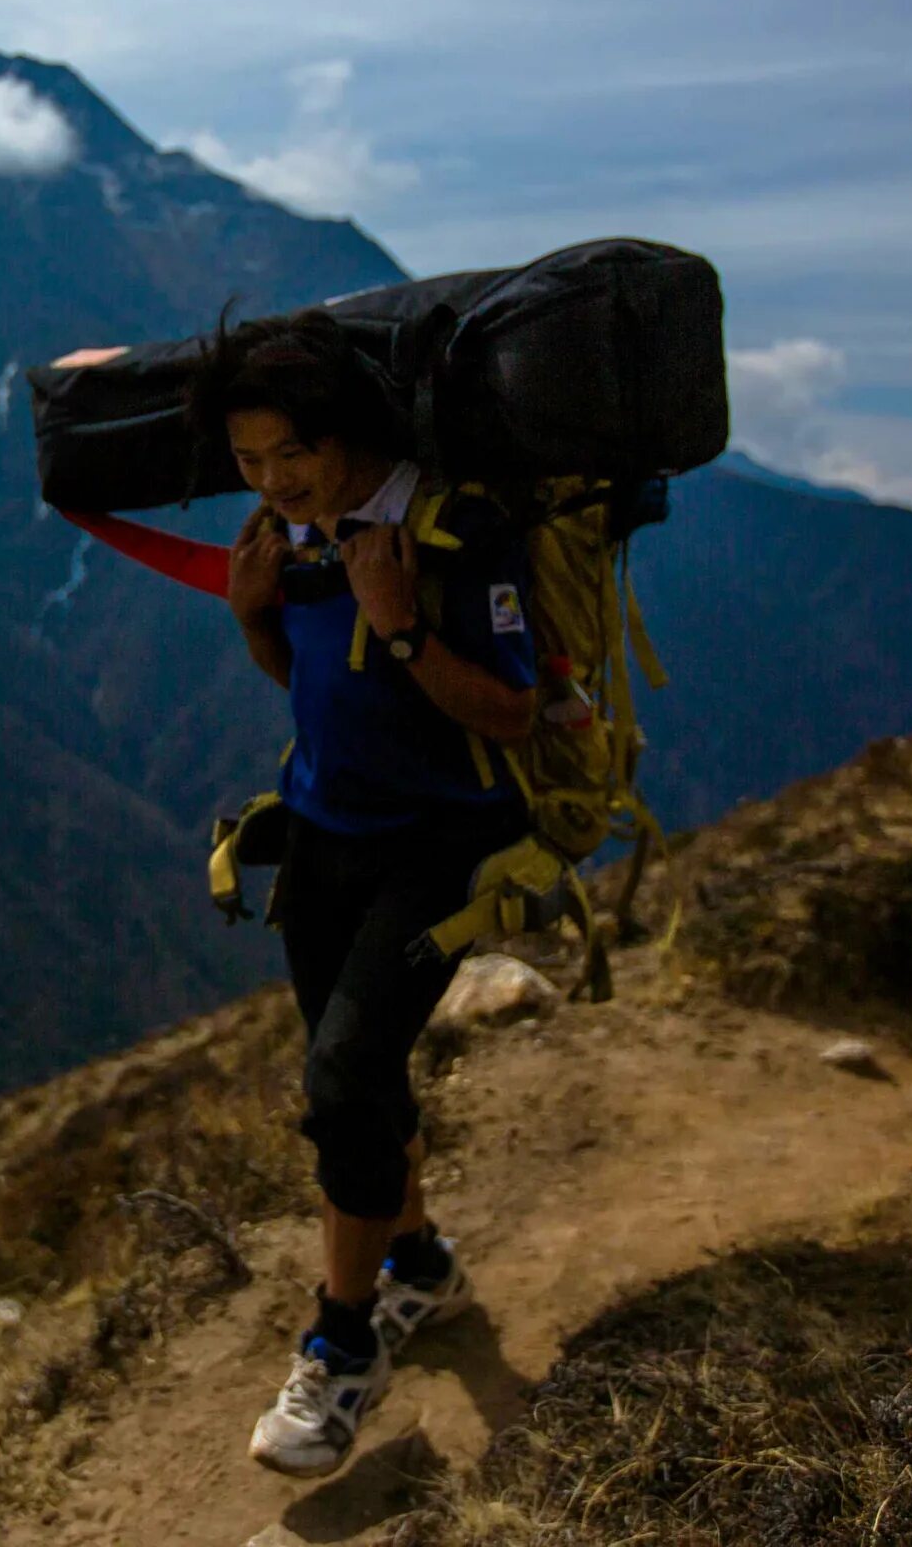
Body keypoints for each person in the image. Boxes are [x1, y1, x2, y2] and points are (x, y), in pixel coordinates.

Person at [188, 309, 540, 1478]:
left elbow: (512, 709)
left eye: (293, 451)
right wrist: (253, 616)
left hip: (437, 847)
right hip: (325, 843)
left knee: (341, 1078)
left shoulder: (458, 534)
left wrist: (399, 625)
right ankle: (423, 1265)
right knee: (364, 1077)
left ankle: (340, 1350)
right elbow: (316, 688)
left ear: (347, 430)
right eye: (247, 461)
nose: (273, 479)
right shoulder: (300, 535)